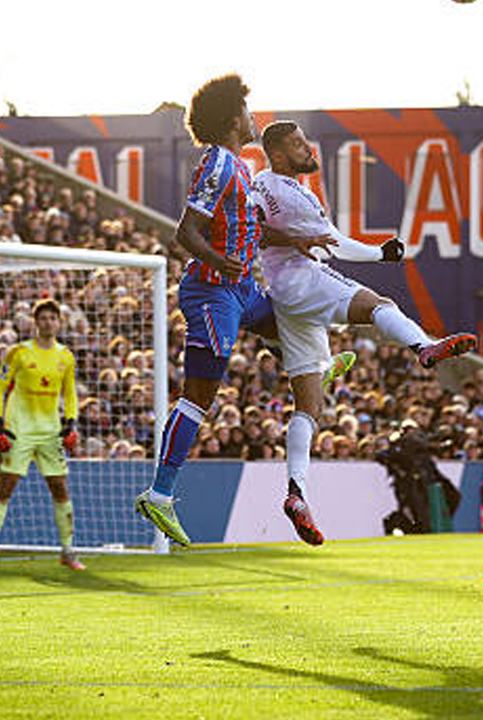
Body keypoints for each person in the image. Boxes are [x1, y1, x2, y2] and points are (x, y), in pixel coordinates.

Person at [251, 120, 477, 546]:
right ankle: (424, 346)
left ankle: (296, 492)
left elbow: (251, 226)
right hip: (304, 280)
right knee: (380, 306)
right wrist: (380, 253)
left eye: (304, 140)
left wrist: (279, 237)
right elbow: (332, 242)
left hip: (284, 298)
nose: (306, 147)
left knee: (309, 407)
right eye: (296, 143)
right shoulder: (293, 194)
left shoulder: (262, 183)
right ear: (277, 154)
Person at [135, 74, 297, 547]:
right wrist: (218, 261)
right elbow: (186, 232)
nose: (253, 116)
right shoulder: (219, 164)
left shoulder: (239, 167)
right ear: (232, 119)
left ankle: (314, 369)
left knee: (290, 322)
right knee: (199, 396)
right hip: (213, 293)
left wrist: (299, 238)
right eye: (246, 109)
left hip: (241, 290)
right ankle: (159, 494)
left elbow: (246, 228)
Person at [0, 298, 82, 571]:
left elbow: (70, 393)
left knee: (60, 488)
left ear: (59, 323)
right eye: (43, 318)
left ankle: (68, 551)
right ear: (35, 322)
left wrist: (71, 423)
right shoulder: (19, 353)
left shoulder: (66, 356)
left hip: (50, 432)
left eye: (53, 318)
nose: (48, 322)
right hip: (20, 430)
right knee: (6, 487)